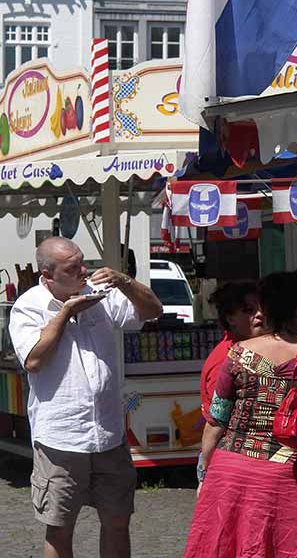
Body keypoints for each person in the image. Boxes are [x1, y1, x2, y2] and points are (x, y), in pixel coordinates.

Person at [8, 237, 163, 558]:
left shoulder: (98, 293)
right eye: (72, 268)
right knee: (60, 527)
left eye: (82, 262)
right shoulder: (29, 305)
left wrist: (124, 281)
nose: (83, 271)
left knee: (118, 520)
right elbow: (34, 360)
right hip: (60, 440)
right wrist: (65, 314)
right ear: (48, 275)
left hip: (109, 434)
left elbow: (153, 310)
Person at [184, 269, 297, 558]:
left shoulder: (238, 353)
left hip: (228, 469)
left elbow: (216, 420)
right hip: (281, 473)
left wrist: (203, 472)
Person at [197, 280, 265, 492]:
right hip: (231, 461)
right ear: (230, 318)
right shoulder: (227, 358)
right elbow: (216, 422)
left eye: (262, 307)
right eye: (249, 310)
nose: (260, 314)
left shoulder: (249, 350)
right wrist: (205, 471)